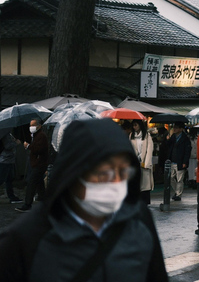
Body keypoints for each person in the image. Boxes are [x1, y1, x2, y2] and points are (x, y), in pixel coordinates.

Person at [0, 119, 169, 281]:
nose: (116, 183)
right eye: (104, 174)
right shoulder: (26, 239)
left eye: (123, 173)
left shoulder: (139, 219)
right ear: (74, 173)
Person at [16, 118, 49, 212]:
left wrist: (28, 146)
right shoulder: (36, 135)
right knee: (40, 185)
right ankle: (45, 203)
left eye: (33, 125)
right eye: (30, 125)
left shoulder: (41, 136)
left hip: (39, 164)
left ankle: (27, 204)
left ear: (39, 126)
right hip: (37, 164)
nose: (31, 127)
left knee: (31, 183)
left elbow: (39, 149)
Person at [130, 119, 154, 204]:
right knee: (137, 183)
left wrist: (147, 163)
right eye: (133, 125)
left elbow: (149, 149)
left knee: (145, 184)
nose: (134, 127)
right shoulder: (131, 135)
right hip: (135, 162)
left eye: (136, 125)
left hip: (144, 162)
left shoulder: (147, 135)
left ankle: (145, 201)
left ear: (140, 125)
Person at [167, 121, 192, 201]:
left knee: (179, 179)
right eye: (174, 127)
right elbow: (168, 147)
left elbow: (187, 151)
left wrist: (185, 162)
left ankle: (178, 194)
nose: (174, 129)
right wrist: (168, 140)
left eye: (176, 127)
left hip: (180, 161)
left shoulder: (185, 138)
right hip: (172, 160)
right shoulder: (173, 137)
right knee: (171, 178)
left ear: (181, 129)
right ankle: (176, 191)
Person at [0, 132, 22, 203]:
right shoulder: (5, 134)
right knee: (2, 179)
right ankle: (12, 197)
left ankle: (12, 197)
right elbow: (7, 146)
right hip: (5, 160)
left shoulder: (8, 133)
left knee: (9, 180)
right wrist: (16, 143)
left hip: (10, 160)